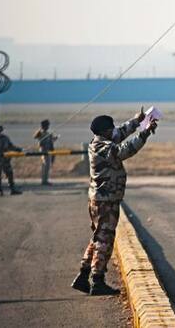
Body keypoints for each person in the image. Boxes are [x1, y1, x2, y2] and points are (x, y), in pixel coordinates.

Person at [71, 108, 157, 295]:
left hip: (101, 199)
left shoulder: (101, 141)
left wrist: (137, 121)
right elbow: (124, 150)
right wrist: (145, 132)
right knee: (105, 240)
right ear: (104, 131)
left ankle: (83, 275)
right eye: (110, 129)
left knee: (97, 238)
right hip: (106, 201)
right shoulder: (103, 147)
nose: (114, 132)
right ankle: (97, 280)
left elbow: (121, 132)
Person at [0, 125, 23, 195]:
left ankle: (12, 189)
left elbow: (10, 146)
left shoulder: (5, 138)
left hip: (5, 160)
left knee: (10, 174)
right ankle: (0, 190)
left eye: (0, 130)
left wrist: (18, 149)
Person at [33, 119, 58, 186]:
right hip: (44, 151)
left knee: (46, 166)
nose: (48, 127)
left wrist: (54, 138)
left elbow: (50, 141)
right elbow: (36, 137)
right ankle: (44, 181)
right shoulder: (41, 133)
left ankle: (45, 180)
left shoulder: (47, 133)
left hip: (48, 151)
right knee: (46, 166)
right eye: (47, 125)